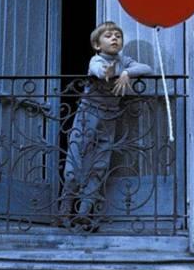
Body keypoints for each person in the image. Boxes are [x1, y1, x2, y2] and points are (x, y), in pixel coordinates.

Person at [58, 21, 152, 229]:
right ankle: (64, 211)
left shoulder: (124, 61)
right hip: (88, 116)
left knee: (99, 165)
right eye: (109, 35)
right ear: (97, 45)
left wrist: (127, 73)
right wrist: (112, 72)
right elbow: (101, 72)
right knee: (75, 163)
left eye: (118, 35)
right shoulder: (96, 60)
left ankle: (83, 212)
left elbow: (148, 68)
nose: (115, 38)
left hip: (109, 119)